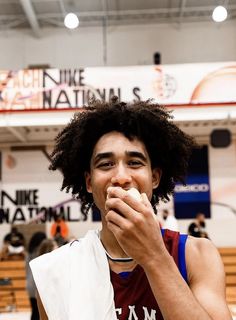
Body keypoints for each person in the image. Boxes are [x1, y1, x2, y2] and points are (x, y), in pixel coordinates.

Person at [30, 97, 232, 320]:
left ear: (154, 178)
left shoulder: (197, 255)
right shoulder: (58, 270)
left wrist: (154, 256)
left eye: (135, 162)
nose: (121, 177)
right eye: (106, 164)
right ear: (89, 183)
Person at [26, 232, 47, 320]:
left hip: (29, 284)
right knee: (38, 312)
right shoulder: (40, 252)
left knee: (34, 310)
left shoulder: (29, 253)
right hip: (36, 284)